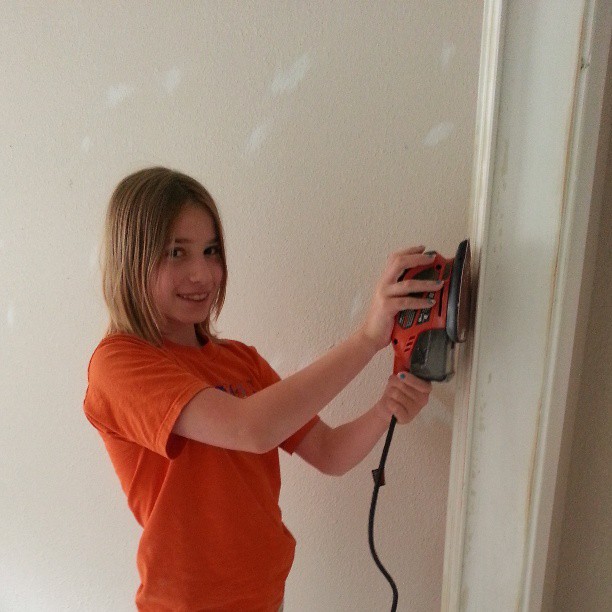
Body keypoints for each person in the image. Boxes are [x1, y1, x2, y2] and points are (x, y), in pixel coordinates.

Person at [84, 167, 438, 611]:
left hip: (264, 596)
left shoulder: (241, 361)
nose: (202, 273)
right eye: (176, 252)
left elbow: (329, 452)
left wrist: (385, 406)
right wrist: (367, 338)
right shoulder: (119, 363)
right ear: (131, 258)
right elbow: (251, 428)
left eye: (210, 251)